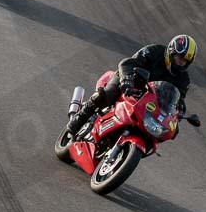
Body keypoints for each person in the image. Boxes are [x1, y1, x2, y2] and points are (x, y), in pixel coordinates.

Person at [67, 34, 198, 137]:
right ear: (171, 52)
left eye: (185, 61)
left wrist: (177, 115)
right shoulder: (154, 51)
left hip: (149, 100)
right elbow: (127, 63)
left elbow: (179, 100)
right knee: (106, 95)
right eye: (179, 58)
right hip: (129, 81)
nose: (181, 63)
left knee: (165, 131)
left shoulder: (183, 79)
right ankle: (77, 120)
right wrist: (126, 80)